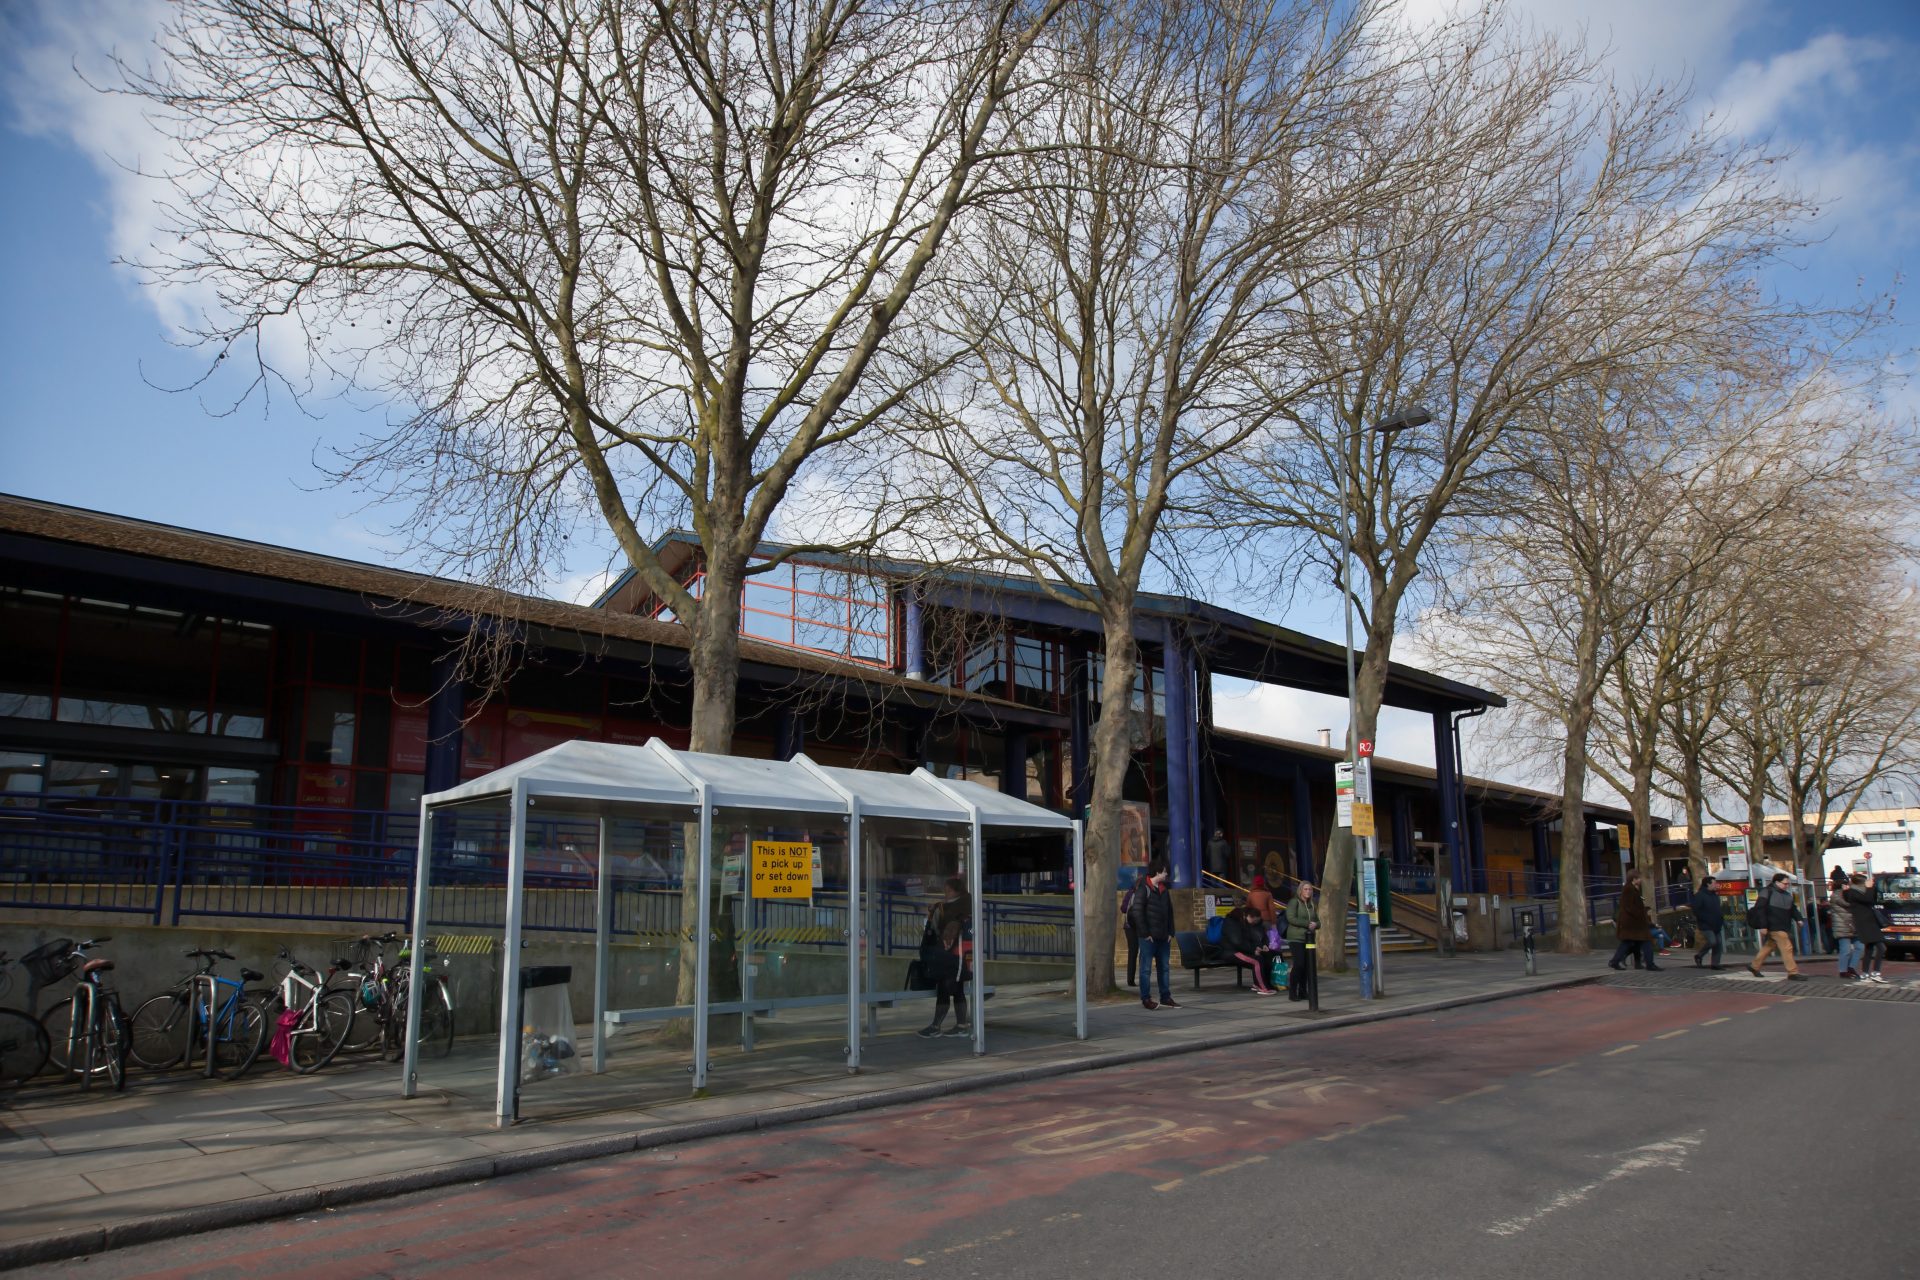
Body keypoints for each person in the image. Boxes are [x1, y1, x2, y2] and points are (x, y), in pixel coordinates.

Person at [917, 876, 973, 1037]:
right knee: (956, 988)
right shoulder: (966, 904)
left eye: (948, 890)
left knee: (945, 986)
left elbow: (937, 928)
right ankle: (960, 1025)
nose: (946, 893)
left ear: (957, 890)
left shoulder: (949, 908)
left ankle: (936, 1026)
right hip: (961, 954)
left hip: (951, 952)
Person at [1128, 859, 1180, 1010]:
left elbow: (1170, 912)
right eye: (1165, 871)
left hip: (1164, 937)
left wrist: (1171, 932)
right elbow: (1137, 912)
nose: (1166, 874)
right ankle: (1146, 999)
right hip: (1148, 938)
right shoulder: (1144, 888)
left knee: (1164, 968)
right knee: (1145, 969)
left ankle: (1166, 997)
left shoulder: (1164, 890)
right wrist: (1145, 933)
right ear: (1158, 871)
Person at [1748, 872, 1808, 981]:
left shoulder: (1786, 895)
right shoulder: (1766, 892)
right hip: (1774, 926)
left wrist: (1798, 918)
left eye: (1788, 884)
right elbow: (1760, 910)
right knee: (1787, 947)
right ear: (1776, 882)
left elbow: (1793, 908)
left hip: (1781, 925)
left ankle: (1754, 966)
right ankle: (1792, 972)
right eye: (1785, 884)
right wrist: (1763, 926)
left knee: (1769, 946)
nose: (1787, 886)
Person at [1607, 870, 1662, 971]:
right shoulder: (1629, 889)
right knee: (1646, 941)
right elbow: (1629, 907)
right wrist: (1641, 915)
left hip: (1632, 923)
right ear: (1634, 879)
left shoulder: (1632, 889)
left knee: (1632, 943)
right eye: (1639, 878)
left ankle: (1618, 961)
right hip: (1633, 923)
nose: (1640, 880)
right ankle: (1650, 964)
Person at [1221, 904, 1278, 995]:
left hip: (1242, 950)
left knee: (1266, 957)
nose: (1252, 922)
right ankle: (1262, 987)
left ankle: (1264, 984)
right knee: (1257, 961)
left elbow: (1251, 939)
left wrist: (1261, 946)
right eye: (1252, 919)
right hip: (1232, 952)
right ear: (1245, 916)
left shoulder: (1243, 923)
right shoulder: (1231, 923)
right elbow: (1237, 942)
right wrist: (1253, 950)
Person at [1843, 872, 1888, 984]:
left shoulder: (1856, 892)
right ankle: (1875, 973)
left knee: (1869, 949)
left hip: (1869, 923)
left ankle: (1865, 974)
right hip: (1866, 924)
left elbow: (1873, 899)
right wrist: (1869, 888)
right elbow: (1868, 900)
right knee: (1881, 948)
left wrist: (1872, 887)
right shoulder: (1854, 892)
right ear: (1861, 883)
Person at [1283, 881, 1317, 1002]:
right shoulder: (1294, 902)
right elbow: (1291, 918)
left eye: (1310, 889)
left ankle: (1303, 991)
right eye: (1306, 889)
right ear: (1300, 890)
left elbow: (1318, 920)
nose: (1308, 891)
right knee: (1299, 964)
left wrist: (1316, 924)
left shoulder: (1312, 904)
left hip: (1309, 939)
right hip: (1296, 938)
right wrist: (1307, 924)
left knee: (1308, 966)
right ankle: (1293, 992)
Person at [1688, 875, 1726, 970]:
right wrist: (1705, 918)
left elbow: (1718, 909)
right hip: (1706, 924)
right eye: (1714, 883)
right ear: (1708, 884)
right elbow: (1696, 910)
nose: (1716, 885)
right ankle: (1699, 955)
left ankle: (1715, 964)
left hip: (1716, 924)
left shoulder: (1714, 895)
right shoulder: (1700, 895)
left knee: (1718, 944)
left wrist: (1721, 919)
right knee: (1712, 941)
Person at [1828, 868, 1860, 979]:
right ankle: (1843, 970)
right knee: (1845, 950)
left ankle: (1851, 967)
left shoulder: (1845, 894)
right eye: (1846, 885)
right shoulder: (1836, 896)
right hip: (1843, 927)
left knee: (1860, 947)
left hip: (1852, 926)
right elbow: (1847, 904)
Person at [1119, 873, 1142, 991]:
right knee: (1144, 952)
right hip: (1141, 926)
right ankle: (1143, 978)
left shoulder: (1130, 893)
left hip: (1129, 926)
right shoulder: (1146, 893)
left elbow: (1123, 909)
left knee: (1132, 953)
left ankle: (1130, 980)